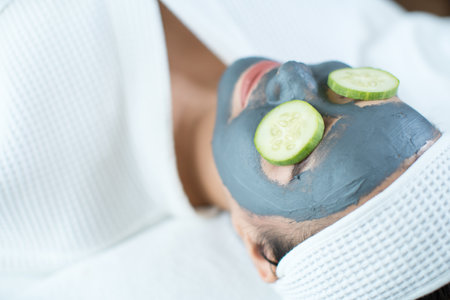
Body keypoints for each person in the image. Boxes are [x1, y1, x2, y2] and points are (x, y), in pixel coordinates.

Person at [0, 0, 448, 299]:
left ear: (258, 250)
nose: (294, 72)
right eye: (355, 94)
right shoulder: (350, 22)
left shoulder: (24, 182)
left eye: (300, 150)